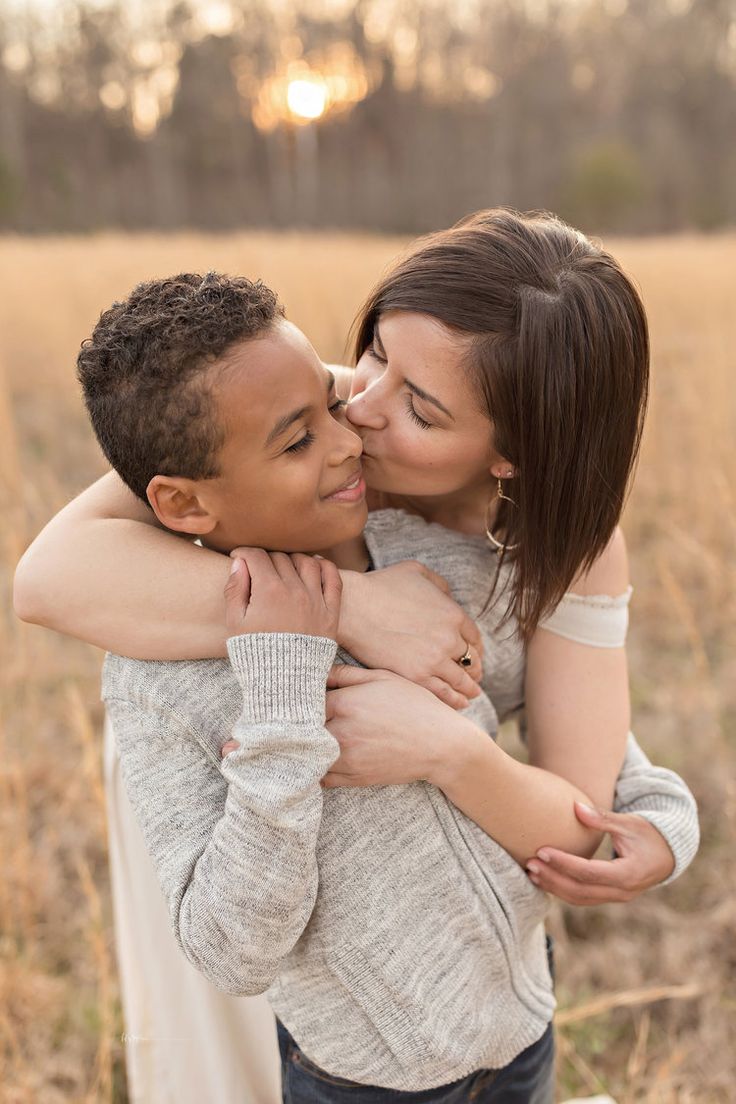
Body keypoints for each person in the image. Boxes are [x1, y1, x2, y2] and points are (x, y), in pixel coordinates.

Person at [13, 213, 698, 1102]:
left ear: (514, 457)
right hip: (234, 784)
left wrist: (458, 752)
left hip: (473, 985)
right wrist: (355, 610)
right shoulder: (301, 420)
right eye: (372, 353)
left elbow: (575, 804)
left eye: (419, 407)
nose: (362, 411)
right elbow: (48, 579)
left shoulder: (553, 549)